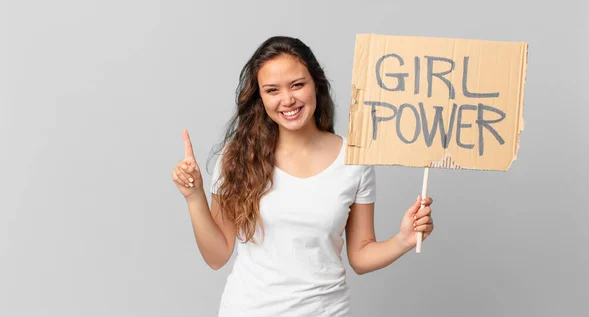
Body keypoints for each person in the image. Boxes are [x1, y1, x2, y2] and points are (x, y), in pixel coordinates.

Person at [171, 36, 434, 317]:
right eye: (272, 90)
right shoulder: (236, 157)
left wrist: (403, 240)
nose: (287, 100)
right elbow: (216, 256)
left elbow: (360, 256)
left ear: (316, 84)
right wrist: (194, 196)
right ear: (260, 97)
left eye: (297, 85)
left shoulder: (354, 159)